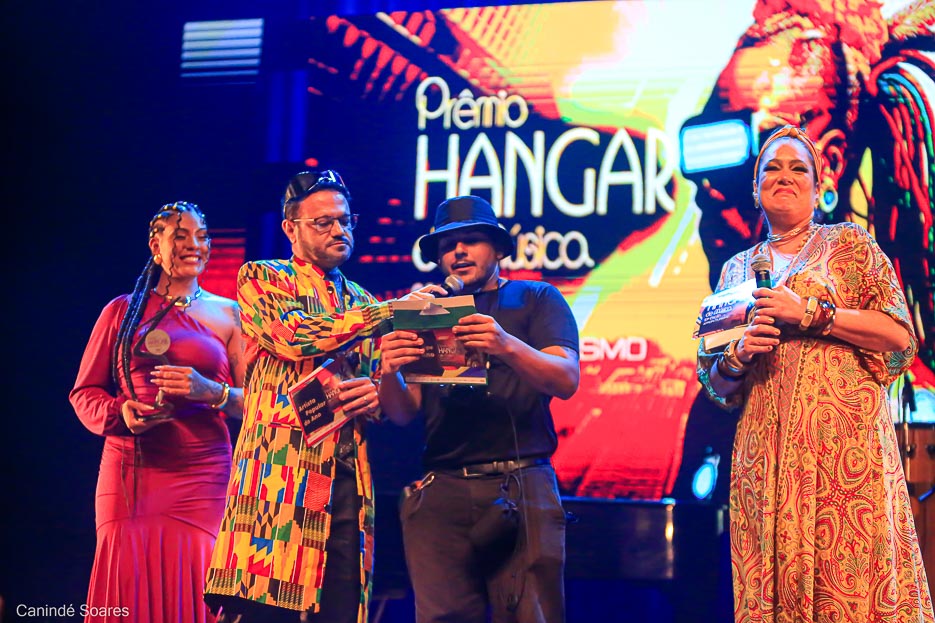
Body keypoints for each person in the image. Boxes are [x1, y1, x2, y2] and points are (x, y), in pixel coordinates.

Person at [696, 126, 933, 623]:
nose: (784, 176)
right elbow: (715, 384)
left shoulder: (850, 245)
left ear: (819, 185)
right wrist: (737, 357)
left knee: (851, 590)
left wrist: (810, 312)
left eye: (797, 168)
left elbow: (899, 337)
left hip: (846, 461)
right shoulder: (735, 271)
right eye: (772, 168)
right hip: (765, 466)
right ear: (755, 189)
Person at [203, 169, 395, 623]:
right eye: (323, 222)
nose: (338, 230)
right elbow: (294, 336)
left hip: (345, 478)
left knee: (338, 607)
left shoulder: (363, 299)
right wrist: (385, 313)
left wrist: (377, 395)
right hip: (281, 477)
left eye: (345, 220)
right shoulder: (261, 277)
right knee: (267, 606)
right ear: (291, 228)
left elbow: (379, 386)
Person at [378, 195, 581, 623]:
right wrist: (389, 371)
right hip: (443, 490)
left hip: (521, 482)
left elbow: (566, 379)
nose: (458, 251)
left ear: (499, 248)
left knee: (531, 615)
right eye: (447, 245)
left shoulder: (535, 297)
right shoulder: (427, 311)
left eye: (471, 240)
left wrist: (505, 344)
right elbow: (403, 412)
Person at [70, 201, 245, 623]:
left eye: (202, 236)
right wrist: (121, 413)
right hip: (132, 471)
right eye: (180, 236)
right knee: (127, 582)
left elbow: (256, 403)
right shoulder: (122, 311)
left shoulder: (229, 314)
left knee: (197, 584)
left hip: (202, 473)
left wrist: (212, 391)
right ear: (155, 246)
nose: (194, 245)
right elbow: (84, 393)